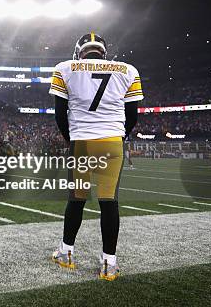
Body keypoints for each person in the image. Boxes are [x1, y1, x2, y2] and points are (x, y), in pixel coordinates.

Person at [49, 33, 142, 281]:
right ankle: (109, 264)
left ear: (79, 50)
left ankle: (66, 252)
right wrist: (117, 139)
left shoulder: (64, 68)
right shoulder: (128, 70)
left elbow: (59, 115)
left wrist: (73, 140)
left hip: (81, 141)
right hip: (112, 141)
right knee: (109, 202)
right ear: (103, 51)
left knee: (77, 200)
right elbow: (133, 115)